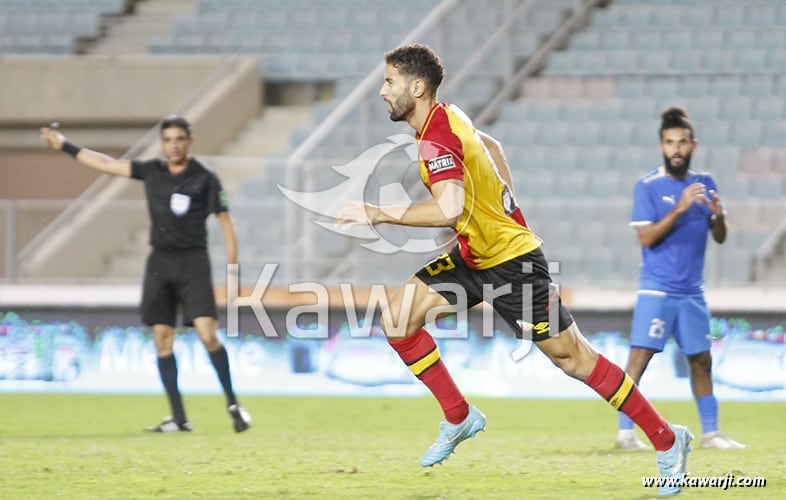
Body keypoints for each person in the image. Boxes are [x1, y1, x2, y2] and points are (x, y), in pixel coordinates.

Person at [336, 43, 691, 496]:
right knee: (398, 319)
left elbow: (448, 207)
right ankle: (459, 416)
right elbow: (492, 146)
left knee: (573, 359)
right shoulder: (448, 115)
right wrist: (504, 206)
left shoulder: (436, 137)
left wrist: (377, 212)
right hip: (474, 256)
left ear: (417, 87)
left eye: (389, 82)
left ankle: (667, 439)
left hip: (512, 263)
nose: (382, 91)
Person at [40, 116, 251, 433]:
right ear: (162, 143)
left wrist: (233, 271)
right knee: (162, 340)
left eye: (179, 138)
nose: (174, 145)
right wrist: (65, 146)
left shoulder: (205, 179)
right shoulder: (153, 172)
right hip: (160, 263)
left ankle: (234, 405)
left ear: (189, 141)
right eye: (168, 139)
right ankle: (179, 418)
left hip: (193, 261)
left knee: (207, 335)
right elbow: (107, 164)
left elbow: (225, 222)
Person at [615, 107, 745, 451]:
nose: (676, 148)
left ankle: (712, 434)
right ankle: (625, 433)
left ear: (693, 145)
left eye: (682, 142)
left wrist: (717, 218)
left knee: (701, 359)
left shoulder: (706, 183)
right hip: (657, 289)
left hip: (692, 292)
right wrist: (680, 208)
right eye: (670, 142)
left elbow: (719, 236)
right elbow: (646, 238)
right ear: (661, 145)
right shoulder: (648, 186)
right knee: (639, 359)